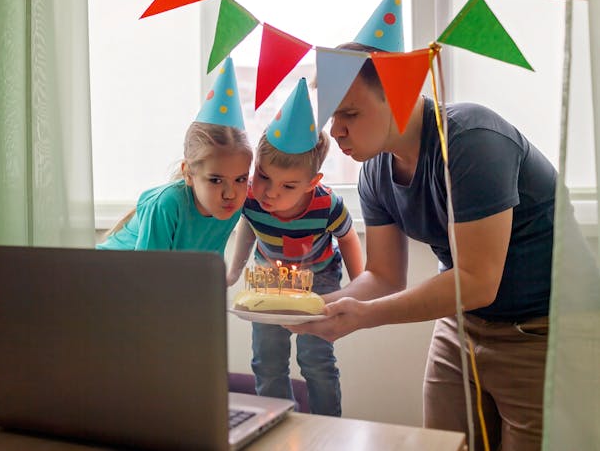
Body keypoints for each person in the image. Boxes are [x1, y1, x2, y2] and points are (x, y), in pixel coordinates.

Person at [289, 40, 560, 450]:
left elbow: (476, 280)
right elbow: (382, 276)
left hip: (538, 332)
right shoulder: (375, 172)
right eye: (330, 116)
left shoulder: (471, 140)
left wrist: (363, 317)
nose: (335, 130)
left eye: (349, 113)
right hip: (461, 327)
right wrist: (318, 307)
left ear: (400, 95)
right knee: (442, 444)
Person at [227, 78, 363, 417]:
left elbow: (347, 237)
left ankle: (327, 427)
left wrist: (360, 285)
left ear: (311, 184)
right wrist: (233, 269)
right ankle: (276, 424)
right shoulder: (252, 200)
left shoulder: (327, 205)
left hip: (319, 280)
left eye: (288, 185)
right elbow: (250, 226)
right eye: (264, 177)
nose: (270, 192)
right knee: (267, 359)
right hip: (268, 279)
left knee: (316, 360)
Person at [97, 58, 252, 255]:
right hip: (109, 276)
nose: (230, 193)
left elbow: (206, 268)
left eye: (240, 179)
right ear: (188, 173)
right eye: (215, 180)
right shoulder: (166, 205)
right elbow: (148, 274)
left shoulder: (231, 207)